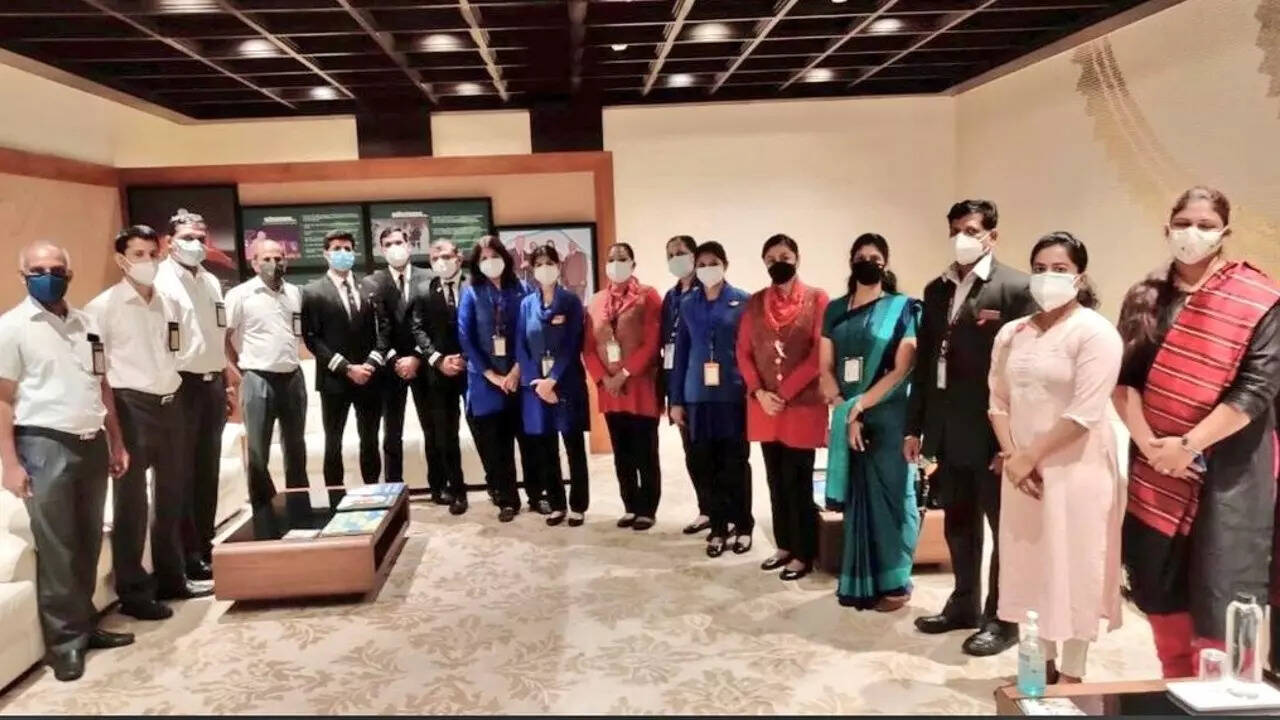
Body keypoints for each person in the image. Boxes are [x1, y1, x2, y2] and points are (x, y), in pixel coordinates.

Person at [1113, 187, 1280, 678]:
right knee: (1159, 583)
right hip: (1156, 470)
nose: (1193, 233)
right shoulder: (1145, 297)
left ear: (1225, 233)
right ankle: (1175, 681)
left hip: (1231, 473)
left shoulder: (1257, 299)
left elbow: (1257, 388)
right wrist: (1153, 449)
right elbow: (1124, 380)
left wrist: (1188, 446)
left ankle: (1220, 693)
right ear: (1167, 228)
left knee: (1225, 584)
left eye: (1206, 225)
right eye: (1184, 222)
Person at [988, 232, 1124, 683]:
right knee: (1030, 567)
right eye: (1040, 269)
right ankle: (1037, 665)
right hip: (1022, 473)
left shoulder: (1096, 333)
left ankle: (1072, 675)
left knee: (1075, 567)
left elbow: (1084, 412)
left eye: (1060, 270)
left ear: (1079, 277)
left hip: (1077, 469)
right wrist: (1013, 456)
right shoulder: (1012, 333)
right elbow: (997, 400)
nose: (1048, 277)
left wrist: (1029, 456)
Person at [0, 242, 135, 682]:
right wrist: (10, 464)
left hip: (91, 442)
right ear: (23, 276)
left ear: (69, 274)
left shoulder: (86, 323)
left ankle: (85, 625)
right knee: (58, 547)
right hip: (43, 445)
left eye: (57, 269)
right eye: (38, 270)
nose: (48, 276)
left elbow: (102, 385)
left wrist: (116, 441)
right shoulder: (12, 328)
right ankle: (65, 645)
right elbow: (3, 400)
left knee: (88, 540)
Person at [908, 200, 1035, 655]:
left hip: (993, 434)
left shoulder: (1016, 287)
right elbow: (927, 363)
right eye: (956, 230)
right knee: (958, 524)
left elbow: (1026, 372)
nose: (963, 237)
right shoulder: (936, 289)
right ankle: (963, 603)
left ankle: (1003, 619)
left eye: (972, 229)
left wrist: (1012, 444)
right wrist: (915, 428)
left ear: (992, 236)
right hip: (948, 431)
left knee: (1003, 531)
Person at [86, 225, 213, 622]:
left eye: (151, 254)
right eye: (137, 255)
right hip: (130, 406)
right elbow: (97, 373)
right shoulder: (101, 308)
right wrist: (113, 431)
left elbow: (179, 348)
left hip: (170, 402)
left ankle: (172, 577)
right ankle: (134, 591)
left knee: (173, 494)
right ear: (121, 260)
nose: (146, 262)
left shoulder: (168, 302)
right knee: (132, 503)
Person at [819, 234, 921, 608]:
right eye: (861, 256)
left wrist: (859, 407)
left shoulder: (904, 308)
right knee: (858, 498)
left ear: (885, 263)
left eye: (875, 257)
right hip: (848, 414)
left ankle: (896, 583)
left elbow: (903, 368)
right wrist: (842, 408)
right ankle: (861, 579)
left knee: (892, 496)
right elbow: (825, 368)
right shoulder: (834, 310)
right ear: (851, 261)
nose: (868, 262)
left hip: (888, 415)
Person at [737, 234, 828, 580]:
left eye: (785, 257)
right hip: (765, 407)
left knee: (797, 480)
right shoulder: (755, 302)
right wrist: (759, 392)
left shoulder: (817, 299)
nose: (779, 263)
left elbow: (819, 353)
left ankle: (804, 553)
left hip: (801, 407)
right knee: (775, 478)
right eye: (772, 259)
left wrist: (784, 392)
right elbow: (743, 351)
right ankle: (785, 545)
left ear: (797, 259)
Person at [153, 208, 233, 582]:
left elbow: (216, 336)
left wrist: (226, 382)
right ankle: (184, 556)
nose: (196, 244)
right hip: (180, 385)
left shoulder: (211, 281)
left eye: (201, 239)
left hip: (211, 383)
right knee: (181, 474)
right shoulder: (160, 282)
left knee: (207, 471)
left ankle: (203, 545)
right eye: (187, 238)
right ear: (169, 242)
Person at [669, 241, 753, 557]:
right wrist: (676, 399)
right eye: (701, 264)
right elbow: (680, 354)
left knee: (735, 463)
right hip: (697, 396)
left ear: (725, 264)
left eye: (713, 263)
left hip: (732, 394)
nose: (707, 269)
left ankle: (742, 525)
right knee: (706, 464)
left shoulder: (742, 301)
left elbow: (750, 349)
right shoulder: (688, 303)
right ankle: (718, 527)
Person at [301, 230, 388, 498]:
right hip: (334, 380)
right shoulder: (312, 291)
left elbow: (384, 329)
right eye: (337, 248)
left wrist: (370, 364)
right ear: (326, 254)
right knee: (333, 443)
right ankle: (335, 499)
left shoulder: (370, 288)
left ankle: (373, 494)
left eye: (348, 249)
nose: (343, 253)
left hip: (369, 377)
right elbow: (312, 338)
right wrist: (347, 368)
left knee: (370, 440)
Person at [585, 243, 664, 530]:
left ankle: (647, 508)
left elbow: (653, 342)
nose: (616, 263)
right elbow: (588, 347)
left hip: (640, 387)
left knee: (645, 452)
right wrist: (604, 378)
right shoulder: (596, 301)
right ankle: (630, 505)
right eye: (611, 259)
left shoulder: (648, 296)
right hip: (610, 391)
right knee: (622, 453)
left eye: (622, 258)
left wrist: (625, 373)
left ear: (633, 264)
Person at [225, 238, 308, 507]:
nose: (274, 263)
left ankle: (299, 504)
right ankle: (264, 509)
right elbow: (224, 337)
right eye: (267, 259)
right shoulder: (240, 295)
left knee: (296, 447)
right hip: (257, 377)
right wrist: (237, 371)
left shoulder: (294, 293)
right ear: (254, 263)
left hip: (292, 376)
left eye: (278, 258)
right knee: (258, 450)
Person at [515, 245, 591, 527]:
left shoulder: (570, 301)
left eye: (549, 263)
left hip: (565, 384)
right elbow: (521, 346)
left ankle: (578, 505)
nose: (544, 268)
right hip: (536, 387)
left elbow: (572, 344)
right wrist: (536, 382)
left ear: (559, 267)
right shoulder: (526, 304)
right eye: (539, 264)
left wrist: (553, 380)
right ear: (532, 269)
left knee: (573, 447)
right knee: (545, 448)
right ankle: (557, 504)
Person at [457, 236, 529, 523]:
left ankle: (537, 494)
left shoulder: (521, 289)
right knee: (497, 446)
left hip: (519, 377)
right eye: (483, 258)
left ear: (505, 258)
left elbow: (529, 332)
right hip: (485, 382)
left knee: (528, 441)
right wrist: (492, 375)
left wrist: (515, 372)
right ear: (476, 263)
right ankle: (507, 500)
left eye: (494, 256)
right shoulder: (471, 292)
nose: (490, 262)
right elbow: (466, 337)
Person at [368, 228, 437, 497]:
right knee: (392, 432)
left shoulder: (429, 278)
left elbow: (435, 324)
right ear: (381, 250)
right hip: (390, 366)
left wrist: (417, 357)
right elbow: (374, 328)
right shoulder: (373, 282)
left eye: (399, 242)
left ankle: (439, 486)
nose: (394, 247)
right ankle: (393, 488)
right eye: (388, 244)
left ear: (409, 245)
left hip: (423, 363)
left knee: (432, 428)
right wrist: (395, 359)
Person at [409, 240, 469, 514]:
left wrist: (467, 358)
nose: (441, 262)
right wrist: (437, 359)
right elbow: (418, 329)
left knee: (486, 431)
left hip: (474, 370)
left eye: (446, 256)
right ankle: (457, 492)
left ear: (459, 257)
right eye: (435, 258)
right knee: (446, 435)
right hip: (440, 371)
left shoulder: (474, 285)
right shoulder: (424, 289)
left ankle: (498, 488)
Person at [660, 235, 709, 535]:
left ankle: (727, 512)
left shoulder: (709, 292)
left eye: (681, 252)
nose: (676, 258)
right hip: (678, 383)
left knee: (714, 453)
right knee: (692, 453)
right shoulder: (670, 297)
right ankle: (706, 510)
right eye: (671, 254)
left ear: (694, 255)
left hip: (707, 386)